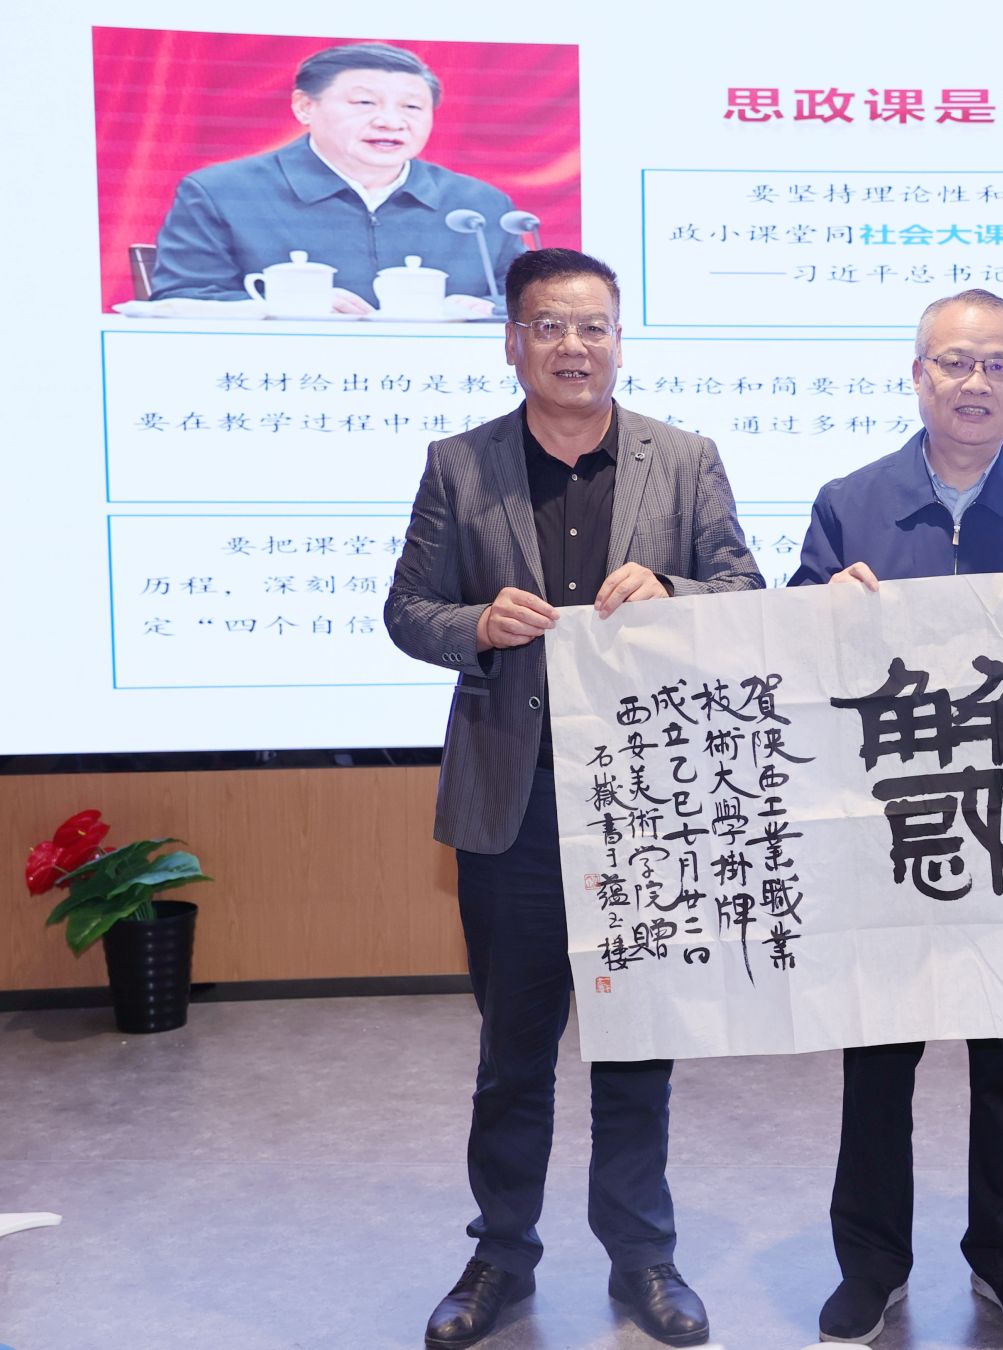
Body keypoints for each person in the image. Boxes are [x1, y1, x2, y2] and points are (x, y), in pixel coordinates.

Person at [385, 247, 761, 1349]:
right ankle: (499, 1255)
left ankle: (644, 1258)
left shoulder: (682, 460)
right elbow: (407, 610)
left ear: (618, 341)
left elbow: (745, 592)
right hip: (516, 804)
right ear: (513, 341)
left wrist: (674, 591)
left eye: (593, 326)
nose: (573, 346)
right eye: (549, 326)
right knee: (514, 1055)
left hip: (644, 806)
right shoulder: (459, 465)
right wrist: (475, 625)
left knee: (638, 1049)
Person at [788, 288, 1003, 1345]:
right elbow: (788, 653)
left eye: (999, 365)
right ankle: (870, 1264)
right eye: (955, 362)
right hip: (888, 827)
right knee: (877, 1058)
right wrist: (824, 610)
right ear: (918, 373)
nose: (976, 383)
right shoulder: (849, 502)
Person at [148, 41, 521, 310]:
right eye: (364, 103)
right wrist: (291, 307)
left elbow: (531, 302)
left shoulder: (480, 206)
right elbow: (181, 299)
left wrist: (484, 310)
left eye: (412, 106)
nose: (391, 121)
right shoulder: (223, 193)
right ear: (304, 107)